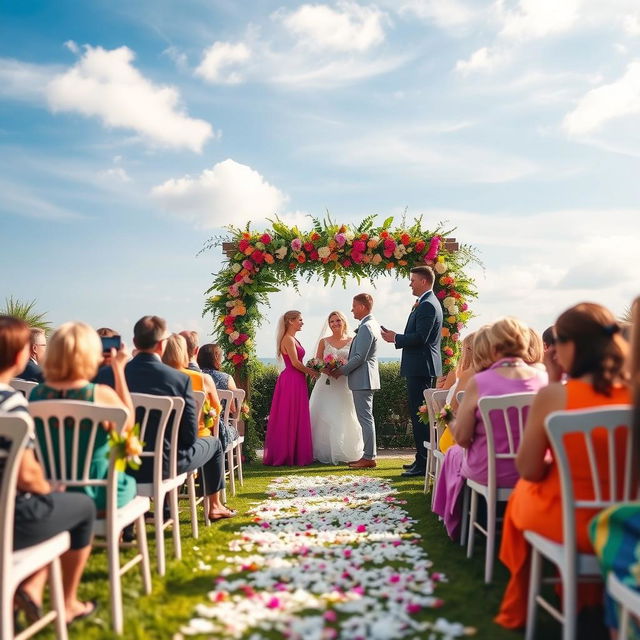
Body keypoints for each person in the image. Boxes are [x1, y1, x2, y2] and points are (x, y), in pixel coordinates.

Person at [495, 302, 631, 630]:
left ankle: (526, 598)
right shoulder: (632, 393)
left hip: (573, 525)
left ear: (570, 345)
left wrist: (553, 381)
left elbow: (528, 469)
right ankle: (591, 601)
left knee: (521, 495)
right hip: (625, 524)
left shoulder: (555, 396)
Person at [0, 315, 97, 624]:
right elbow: (28, 476)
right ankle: (67, 603)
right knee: (78, 506)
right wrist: (49, 490)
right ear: (21, 355)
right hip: (10, 520)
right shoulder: (11, 404)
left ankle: (31, 584)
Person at [96, 316, 234, 520]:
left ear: (134, 343)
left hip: (122, 462)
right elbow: (188, 436)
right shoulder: (178, 379)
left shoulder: (110, 376)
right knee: (213, 444)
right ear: (162, 345)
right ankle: (214, 506)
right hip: (168, 463)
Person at [433, 317, 548, 539]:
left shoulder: (481, 381)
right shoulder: (543, 379)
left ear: (493, 346)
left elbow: (464, 438)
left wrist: (448, 418)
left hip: (490, 470)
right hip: (536, 470)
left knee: (456, 453)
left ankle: (464, 520)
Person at [28, 322, 137, 510]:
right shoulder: (100, 394)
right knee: (130, 485)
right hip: (99, 492)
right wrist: (119, 371)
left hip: (53, 491)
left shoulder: (36, 394)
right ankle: (115, 536)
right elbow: (129, 426)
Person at [381, 266, 443, 477]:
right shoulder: (426, 303)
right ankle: (420, 458)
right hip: (420, 367)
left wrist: (395, 338)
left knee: (420, 417)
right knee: (419, 416)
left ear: (424, 281)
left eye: (413, 280)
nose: (410, 284)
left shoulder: (427, 305)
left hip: (421, 368)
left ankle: (424, 462)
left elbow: (421, 338)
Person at [263, 310, 318, 466]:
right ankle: (287, 454)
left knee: (297, 414)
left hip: (297, 379)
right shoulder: (287, 339)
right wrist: (312, 372)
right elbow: (294, 362)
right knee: (289, 415)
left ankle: (295, 453)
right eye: (300, 320)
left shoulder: (293, 339)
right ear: (291, 321)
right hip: (291, 380)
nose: (302, 322)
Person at [310, 310, 364, 464]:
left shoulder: (352, 340)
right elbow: (317, 362)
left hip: (344, 383)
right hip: (326, 383)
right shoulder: (324, 341)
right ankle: (322, 452)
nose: (335, 324)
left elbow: (355, 360)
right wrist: (325, 369)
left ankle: (344, 451)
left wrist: (341, 370)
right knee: (323, 415)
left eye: (338, 320)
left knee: (344, 415)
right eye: (332, 321)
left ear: (344, 321)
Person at [332, 294, 380, 469]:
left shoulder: (367, 327)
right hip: (365, 379)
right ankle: (368, 455)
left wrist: (341, 371)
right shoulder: (370, 325)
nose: (351, 310)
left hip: (363, 379)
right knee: (366, 418)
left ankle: (369, 457)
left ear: (361, 307)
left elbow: (360, 357)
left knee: (365, 419)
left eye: (354, 306)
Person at [162, 334, 223, 439]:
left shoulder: (161, 377)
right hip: (194, 437)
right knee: (217, 445)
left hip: (164, 436)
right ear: (196, 351)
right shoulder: (201, 378)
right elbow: (216, 410)